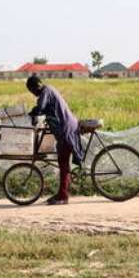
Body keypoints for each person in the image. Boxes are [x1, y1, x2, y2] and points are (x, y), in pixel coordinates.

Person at [26, 76, 82, 205]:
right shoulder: (49, 90)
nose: (33, 93)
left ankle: (63, 196)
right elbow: (44, 108)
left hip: (65, 129)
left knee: (63, 162)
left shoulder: (46, 92)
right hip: (68, 126)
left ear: (36, 87)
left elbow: (40, 107)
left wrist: (33, 114)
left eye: (32, 90)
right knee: (63, 162)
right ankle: (62, 193)